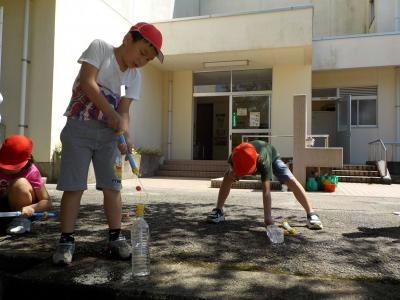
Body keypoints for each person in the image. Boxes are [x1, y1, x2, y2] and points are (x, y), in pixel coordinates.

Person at [53, 22, 164, 265]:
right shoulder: (101, 49)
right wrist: (111, 115)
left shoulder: (133, 76)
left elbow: (124, 110)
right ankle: (66, 241)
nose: (142, 60)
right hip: (78, 128)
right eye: (142, 52)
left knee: (113, 187)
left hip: (108, 137)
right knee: (74, 186)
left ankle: (115, 237)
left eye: (148, 59)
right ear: (128, 39)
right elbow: (87, 82)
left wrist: (127, 133)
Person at [207, 140, 323, 232]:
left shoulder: (263, 160)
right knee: (227, 177)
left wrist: (268, 218)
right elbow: (232, 168)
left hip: (272, 156)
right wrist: (233, 172)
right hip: (247, 158)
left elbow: (266, 191)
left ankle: (311, 214)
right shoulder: (235, 155)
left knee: (290, 179)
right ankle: (218, 211)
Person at [0, 135, 52, 234]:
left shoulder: (31, 171)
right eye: (3, 163)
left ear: (26, 161)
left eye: (12, 166)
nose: (6, 169)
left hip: (20, 211)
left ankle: (20, 221)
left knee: (20, 183)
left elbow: (47, 201)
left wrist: (32, 208)